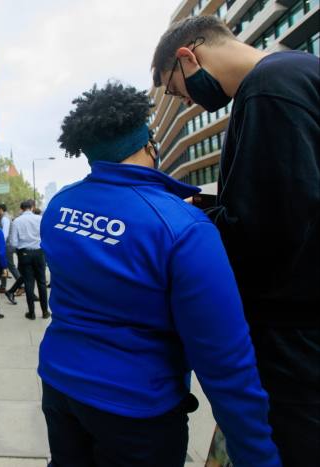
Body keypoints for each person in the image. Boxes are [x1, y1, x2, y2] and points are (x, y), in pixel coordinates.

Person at [38, 81, 280, 467]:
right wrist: (257, 452)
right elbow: (224, 357)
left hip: (60, 383)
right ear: (150, 144)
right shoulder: (182, 226)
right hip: (136, 407)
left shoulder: (59, 206)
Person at [152, 15, 319, 465]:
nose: (184, 102)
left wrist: (195, 220)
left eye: (175, 89)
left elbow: (269, 229)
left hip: (294, 331)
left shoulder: (268, 89)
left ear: (188, 56)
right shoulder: (300, 70)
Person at [9, 200, 49, 320]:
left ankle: (31, 313)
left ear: (21, 209)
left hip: (24, 253)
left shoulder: (17, 221)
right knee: (42, 283)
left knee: (28, 283)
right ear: (32, 207)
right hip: (39, 252)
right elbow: (46, 236)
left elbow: (13, 242)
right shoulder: (40, 219)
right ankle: (45, 311)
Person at [0, 204, 22, 302]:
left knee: (10, 266)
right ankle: (3, 286)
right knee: (4, 266)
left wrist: (0, 245)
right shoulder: (4, 217)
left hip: (7, 246)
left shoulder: (5, 219)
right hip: (6, 245)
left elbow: (5, 234)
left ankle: (21, 285)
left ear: (1, 209)